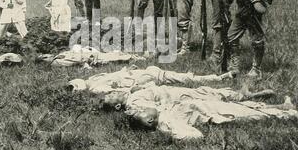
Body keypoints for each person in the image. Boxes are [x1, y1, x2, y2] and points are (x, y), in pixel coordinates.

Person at [102, 85, 298, 140]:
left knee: (249, 108)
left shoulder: (156, 112)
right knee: (251, 114)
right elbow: (193, 135)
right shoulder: (167, 121)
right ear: (151, 120)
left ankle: (282, 108)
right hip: (210, 114)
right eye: (144, 113)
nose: (142, 109)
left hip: (205, 107)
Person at [68, 65, 233, 95]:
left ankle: (215, 78)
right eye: (75, 87)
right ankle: (216, 79)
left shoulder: (92, 78)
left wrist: (124, 70)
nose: (77, 83)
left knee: (178, 77)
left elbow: (114, 76)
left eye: (74, 83)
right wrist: (137, 86)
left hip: (137, 75)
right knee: (180, 81)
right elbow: (119, 89)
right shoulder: (96, 88)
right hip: (139, 81)